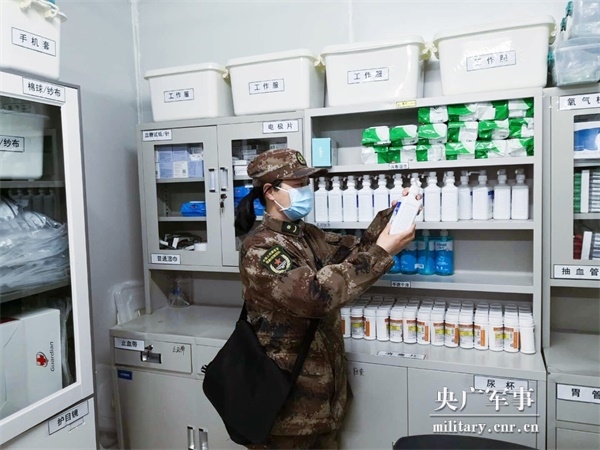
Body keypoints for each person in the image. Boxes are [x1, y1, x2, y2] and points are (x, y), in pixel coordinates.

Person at [235, 148, 416, 449]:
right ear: (270, 192)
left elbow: (357, 250)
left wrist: (393, 216)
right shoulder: (261, 248)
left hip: (325, 396)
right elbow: (315, 298)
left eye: (307, 184)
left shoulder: (307, 235)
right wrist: (382, 252)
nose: (306, 191)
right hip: (288, 405)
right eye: (298, 185)